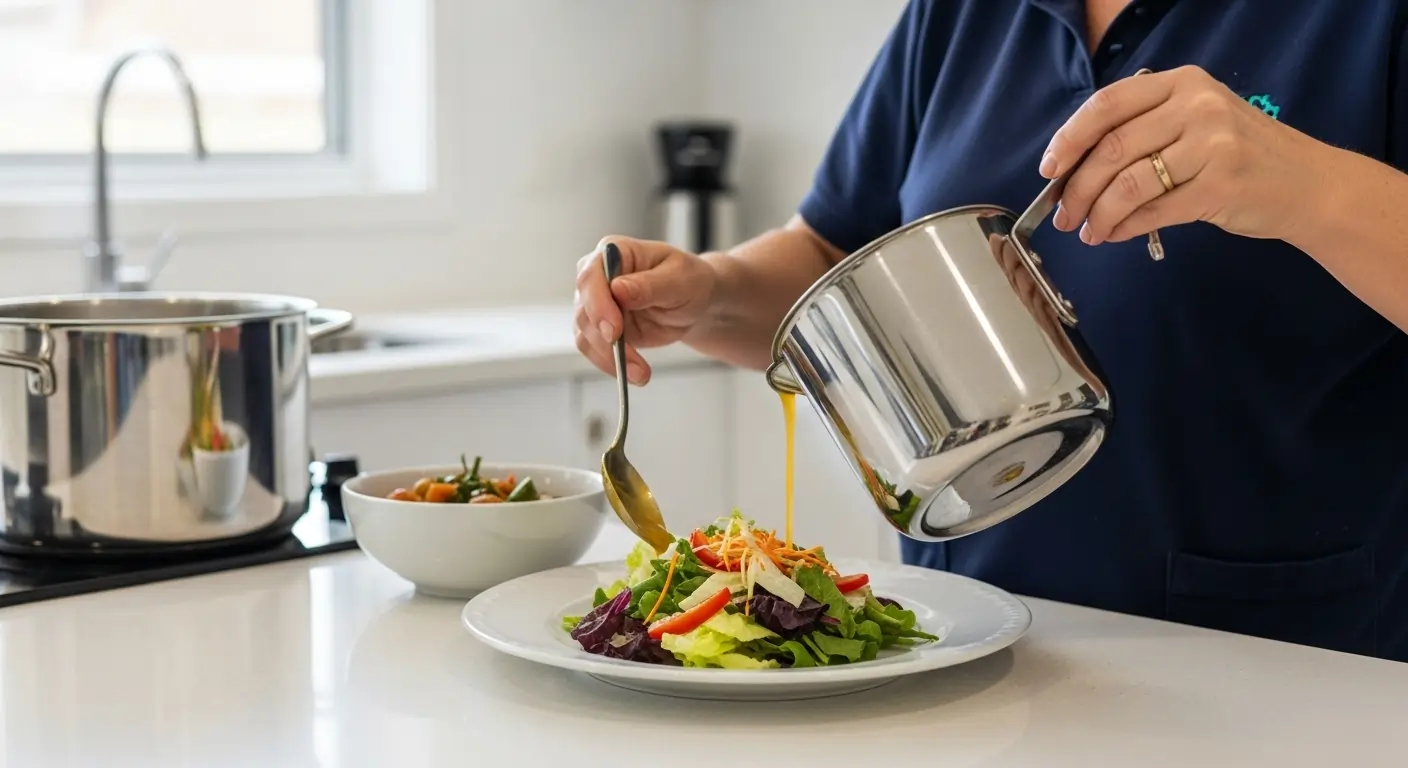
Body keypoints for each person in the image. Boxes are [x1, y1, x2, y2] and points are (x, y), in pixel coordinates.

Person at [573, 0, 1408, 662]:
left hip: (1291, 664)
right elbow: (832, 254)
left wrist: (1301, 184)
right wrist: (708, 293)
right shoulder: (966, 11)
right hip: (966, 649)